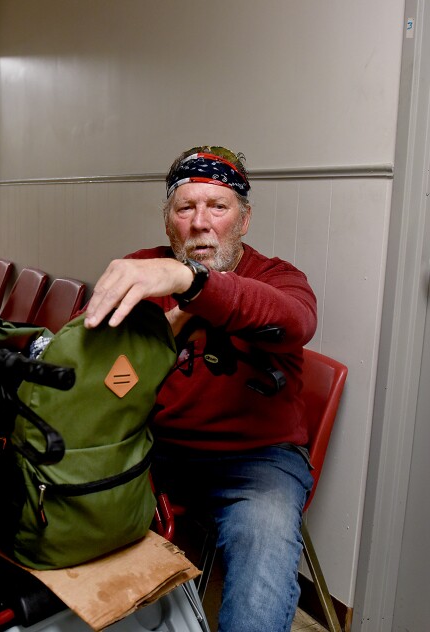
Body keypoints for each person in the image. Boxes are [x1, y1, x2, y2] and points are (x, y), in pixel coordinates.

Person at [83, 146, 317, 632]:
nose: (200, 222)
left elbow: (293, 321)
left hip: (258, 459)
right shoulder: (140, 271)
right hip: (153, 448)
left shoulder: (276, 277)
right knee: (73, 516)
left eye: (218, 206)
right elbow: (100, 380)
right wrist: (156, 336)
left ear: (244, 219)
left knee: (264, 548)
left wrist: (190, 282)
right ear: (168, 221)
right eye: (185, 207)